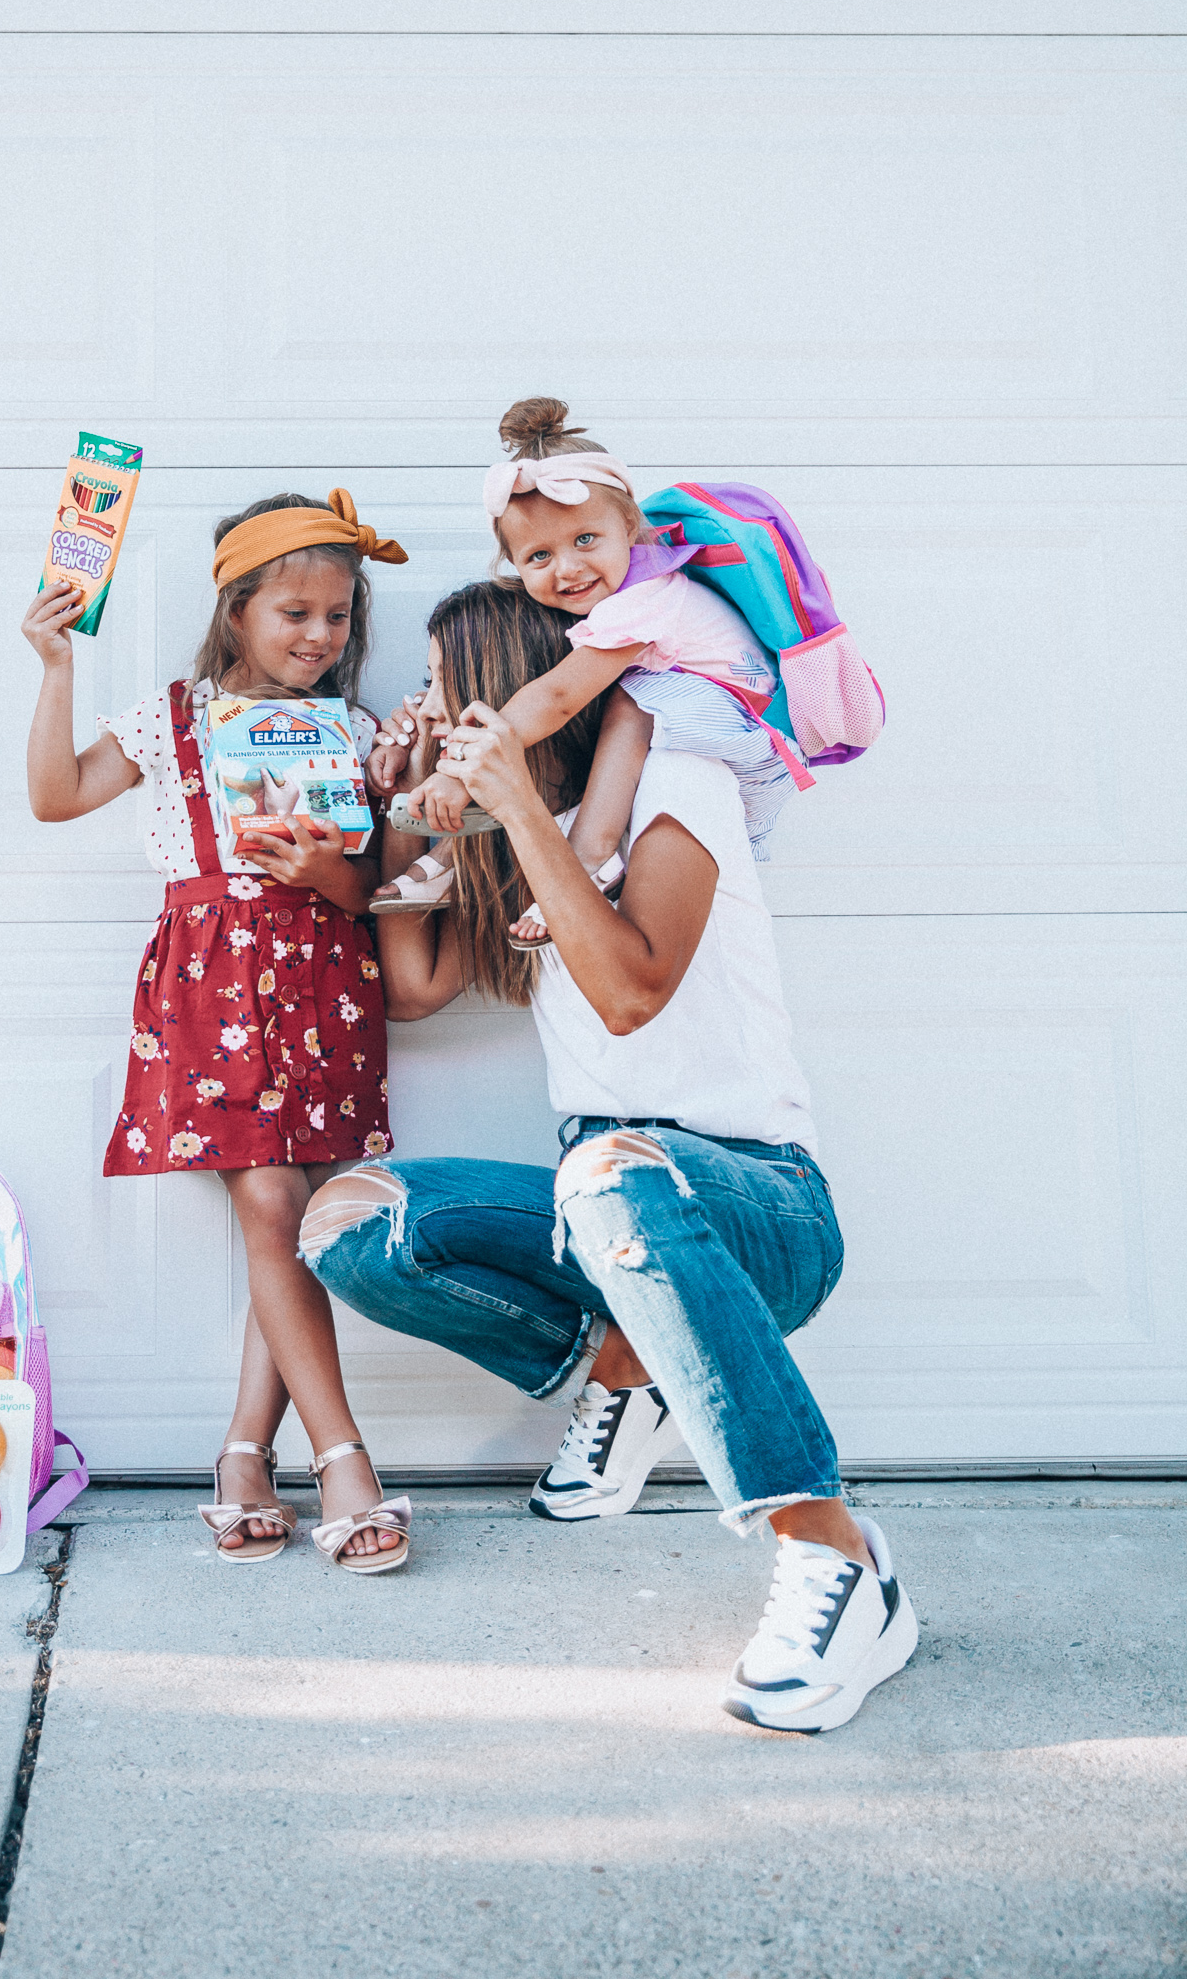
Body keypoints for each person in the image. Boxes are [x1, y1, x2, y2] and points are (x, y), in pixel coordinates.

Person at [300, 580, 918, 1730]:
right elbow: (417, 990)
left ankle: (837, 1556)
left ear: (508, 693)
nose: (424, 703)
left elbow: (632, 991)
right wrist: (405, 817)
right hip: (607, 1208)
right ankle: (624, 1362)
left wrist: (520, 815)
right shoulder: (508, 844)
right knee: (348, 1221)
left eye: (442, 683)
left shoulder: (678, 788)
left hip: (759, 1206)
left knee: (611, 1171)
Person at [22, 489, 412, 1574]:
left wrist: (327, 869)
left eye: (337, 617)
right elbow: (56, 796)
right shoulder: (173, 714)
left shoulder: (359, 728)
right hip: (213, 980)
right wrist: (56, 665)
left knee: (305, 1225)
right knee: (273, 1206)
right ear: (236, 609)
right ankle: (343, 1460)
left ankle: (243, 1456)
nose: (318, 636)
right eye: (293, 612)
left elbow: (380, 881)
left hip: (327, 974)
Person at [369, 398, 802, 946]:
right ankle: (455, 857)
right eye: (539, 557)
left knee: (625, 706)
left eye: (585, 540)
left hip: (747, 724)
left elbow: (554, 698)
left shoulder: (643, 600)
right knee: (550, 715)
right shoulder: (616, 595)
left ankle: (591, 857)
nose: (568, 569)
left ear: (628, 525)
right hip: (720, 715)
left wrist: (455, 770)